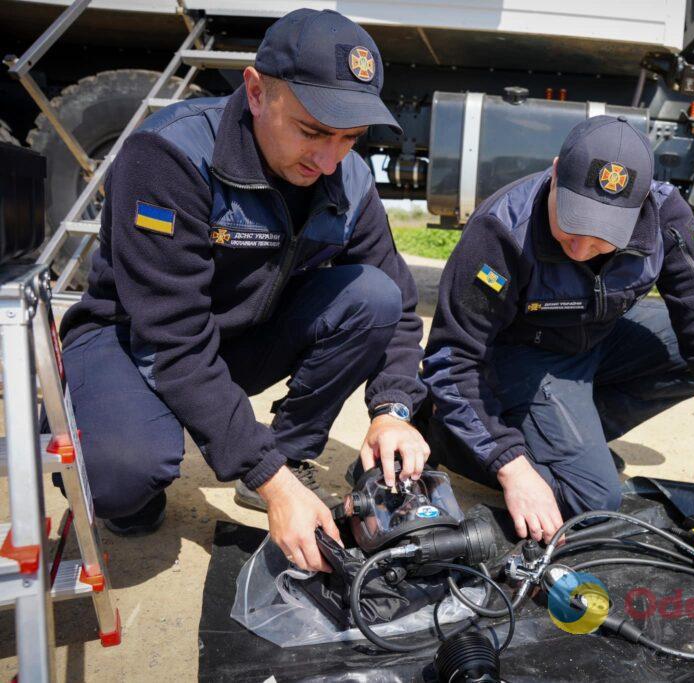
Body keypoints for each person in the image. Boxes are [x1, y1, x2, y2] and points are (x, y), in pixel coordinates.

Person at [57, 9, 430, 572]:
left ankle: (289, 449)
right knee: (119, 481)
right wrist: (270, 481)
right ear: (256, 92)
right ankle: (102, 424)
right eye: (312, 131)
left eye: (350, 138)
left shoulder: (348, 180)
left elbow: (400, 307)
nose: (329, 159)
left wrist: (393, 409)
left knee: (372, 296)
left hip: (240, 337)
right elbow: (174, 340)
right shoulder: (170, 156)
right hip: (132, 339)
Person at [420, 115, 694, 560]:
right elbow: (451, 359)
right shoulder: (502, 229)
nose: (580, 248)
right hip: (525, 357)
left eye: (602, 238)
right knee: (594, 502)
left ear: (640, 208)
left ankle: (568, 442)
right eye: (572, 225)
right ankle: (441, 432)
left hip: (598, 340)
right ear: (556, 171)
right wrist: (511, 466)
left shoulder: (667, 217)